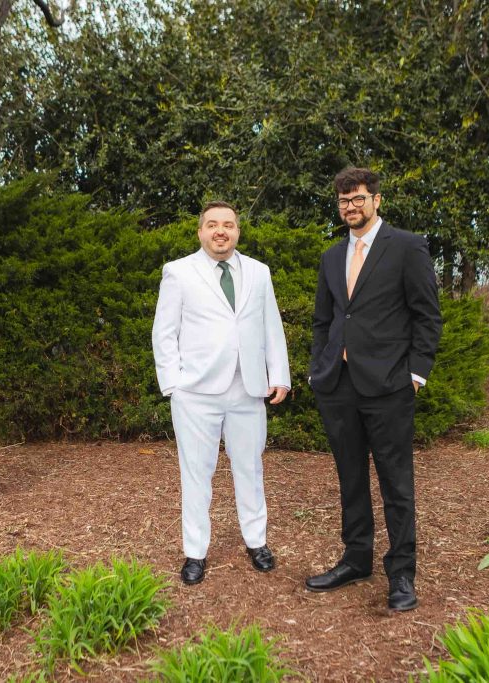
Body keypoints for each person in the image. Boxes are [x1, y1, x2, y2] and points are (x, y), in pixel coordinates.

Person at [305, 167, 442, 611]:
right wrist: (318, 368)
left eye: (359, 198)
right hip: (339, 387)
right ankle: (356, 557)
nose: (351, 206)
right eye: (344, 200)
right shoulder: (330, 258)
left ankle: (401, 574)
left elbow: (427, 315)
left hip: (389, 387)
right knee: (350, 478)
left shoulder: (406, 247)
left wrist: (416, 374)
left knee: (396, 485)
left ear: (377, 200)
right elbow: (325, 321)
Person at [152, 200, 291, 585]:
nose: (220, 231)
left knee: (250, 466)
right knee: (197, 473)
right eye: (212, 224)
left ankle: (256, 540)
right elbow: (164, 332)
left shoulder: (259, 273)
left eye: (228, 225)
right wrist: (173, 385)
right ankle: (195, 552)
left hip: (248, 389)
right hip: (196, 392)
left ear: (237, 231)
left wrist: (279, 374)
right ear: (200, 231)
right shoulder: (179, 273)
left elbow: (271, 326)